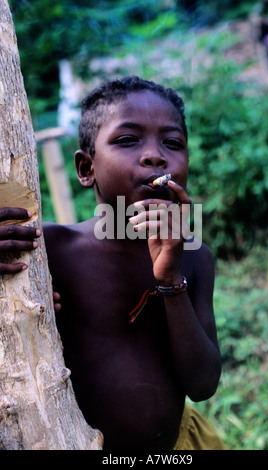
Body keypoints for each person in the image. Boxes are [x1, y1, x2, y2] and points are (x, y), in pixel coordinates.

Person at [0, 76, 224, 451]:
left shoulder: (195, 257)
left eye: (172, 143)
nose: (155, 156)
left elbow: (202, 385)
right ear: (86, 169)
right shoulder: (48, 250)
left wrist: (170, 281)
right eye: (127, 140)